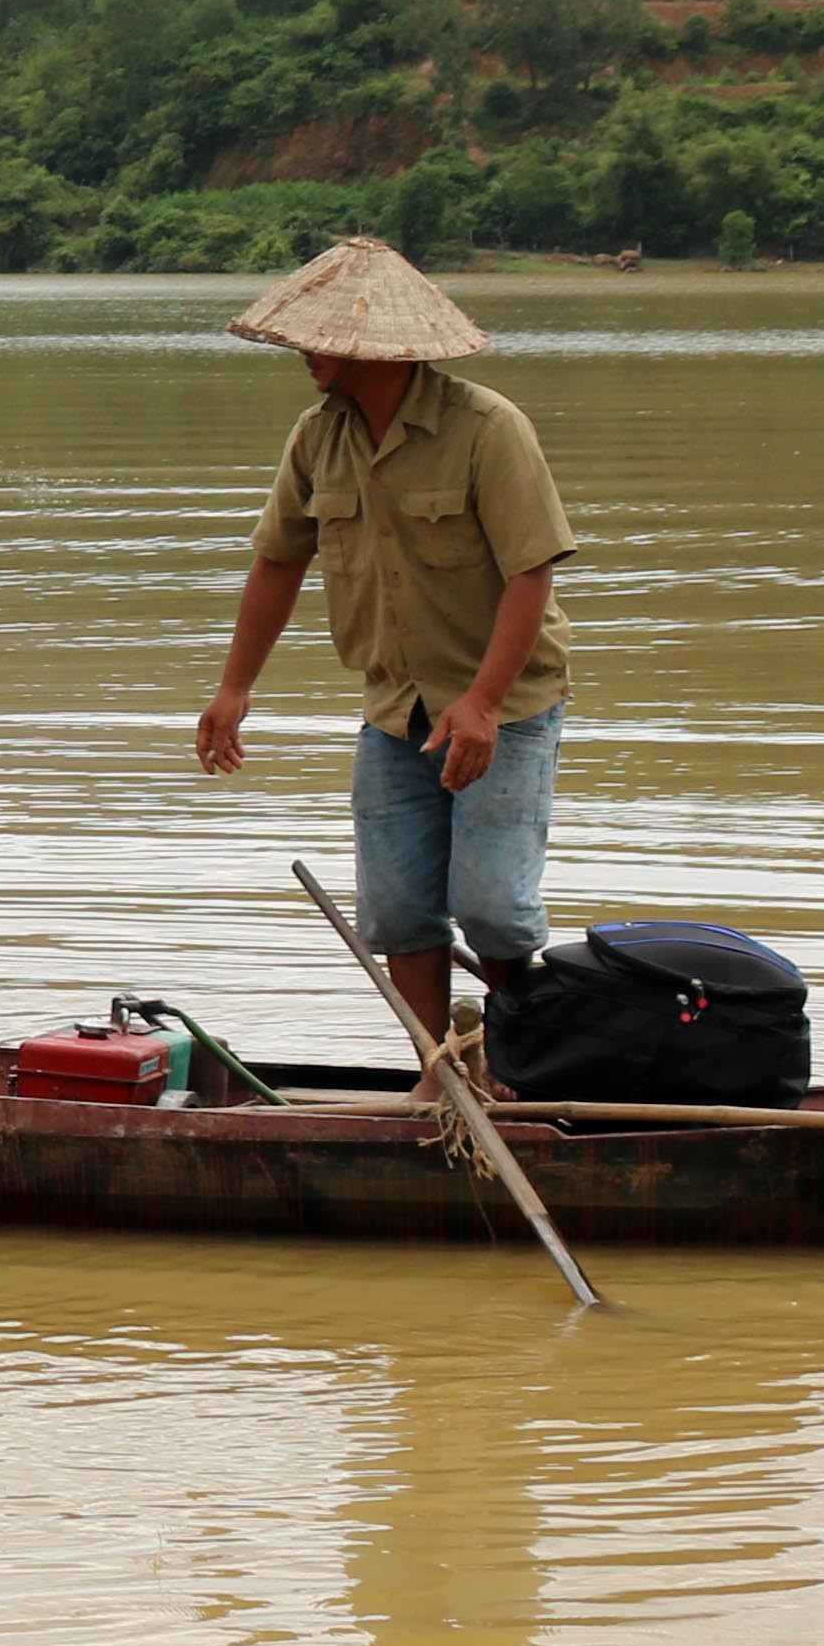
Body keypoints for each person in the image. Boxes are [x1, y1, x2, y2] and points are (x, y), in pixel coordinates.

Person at [191, 236, 576, 1046]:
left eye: (320, 342)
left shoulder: (487, 428)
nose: (305, 356)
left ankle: (513, 1058)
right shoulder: (317, 437)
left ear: (374, 350)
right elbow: (277, 561)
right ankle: (438, 1069)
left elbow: (532, 573)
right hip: (396, 709)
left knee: (495, 909)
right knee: (399, 909)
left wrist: (482, 702)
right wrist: (234, 689)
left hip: (503, 709)